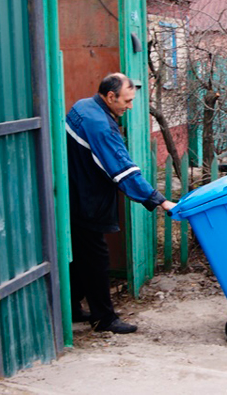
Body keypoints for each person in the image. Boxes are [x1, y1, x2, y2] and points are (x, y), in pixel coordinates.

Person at [66, 73, 176, 333]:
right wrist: (159, 200)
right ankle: (104, 319)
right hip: (87, 201)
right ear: (110, 96)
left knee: (82, 257)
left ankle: (71, 308)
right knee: (96, 260)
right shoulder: (100, 125)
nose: (130, 106)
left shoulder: (83, 106)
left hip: (74, 195)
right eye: (127, 101)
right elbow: (123, 170)